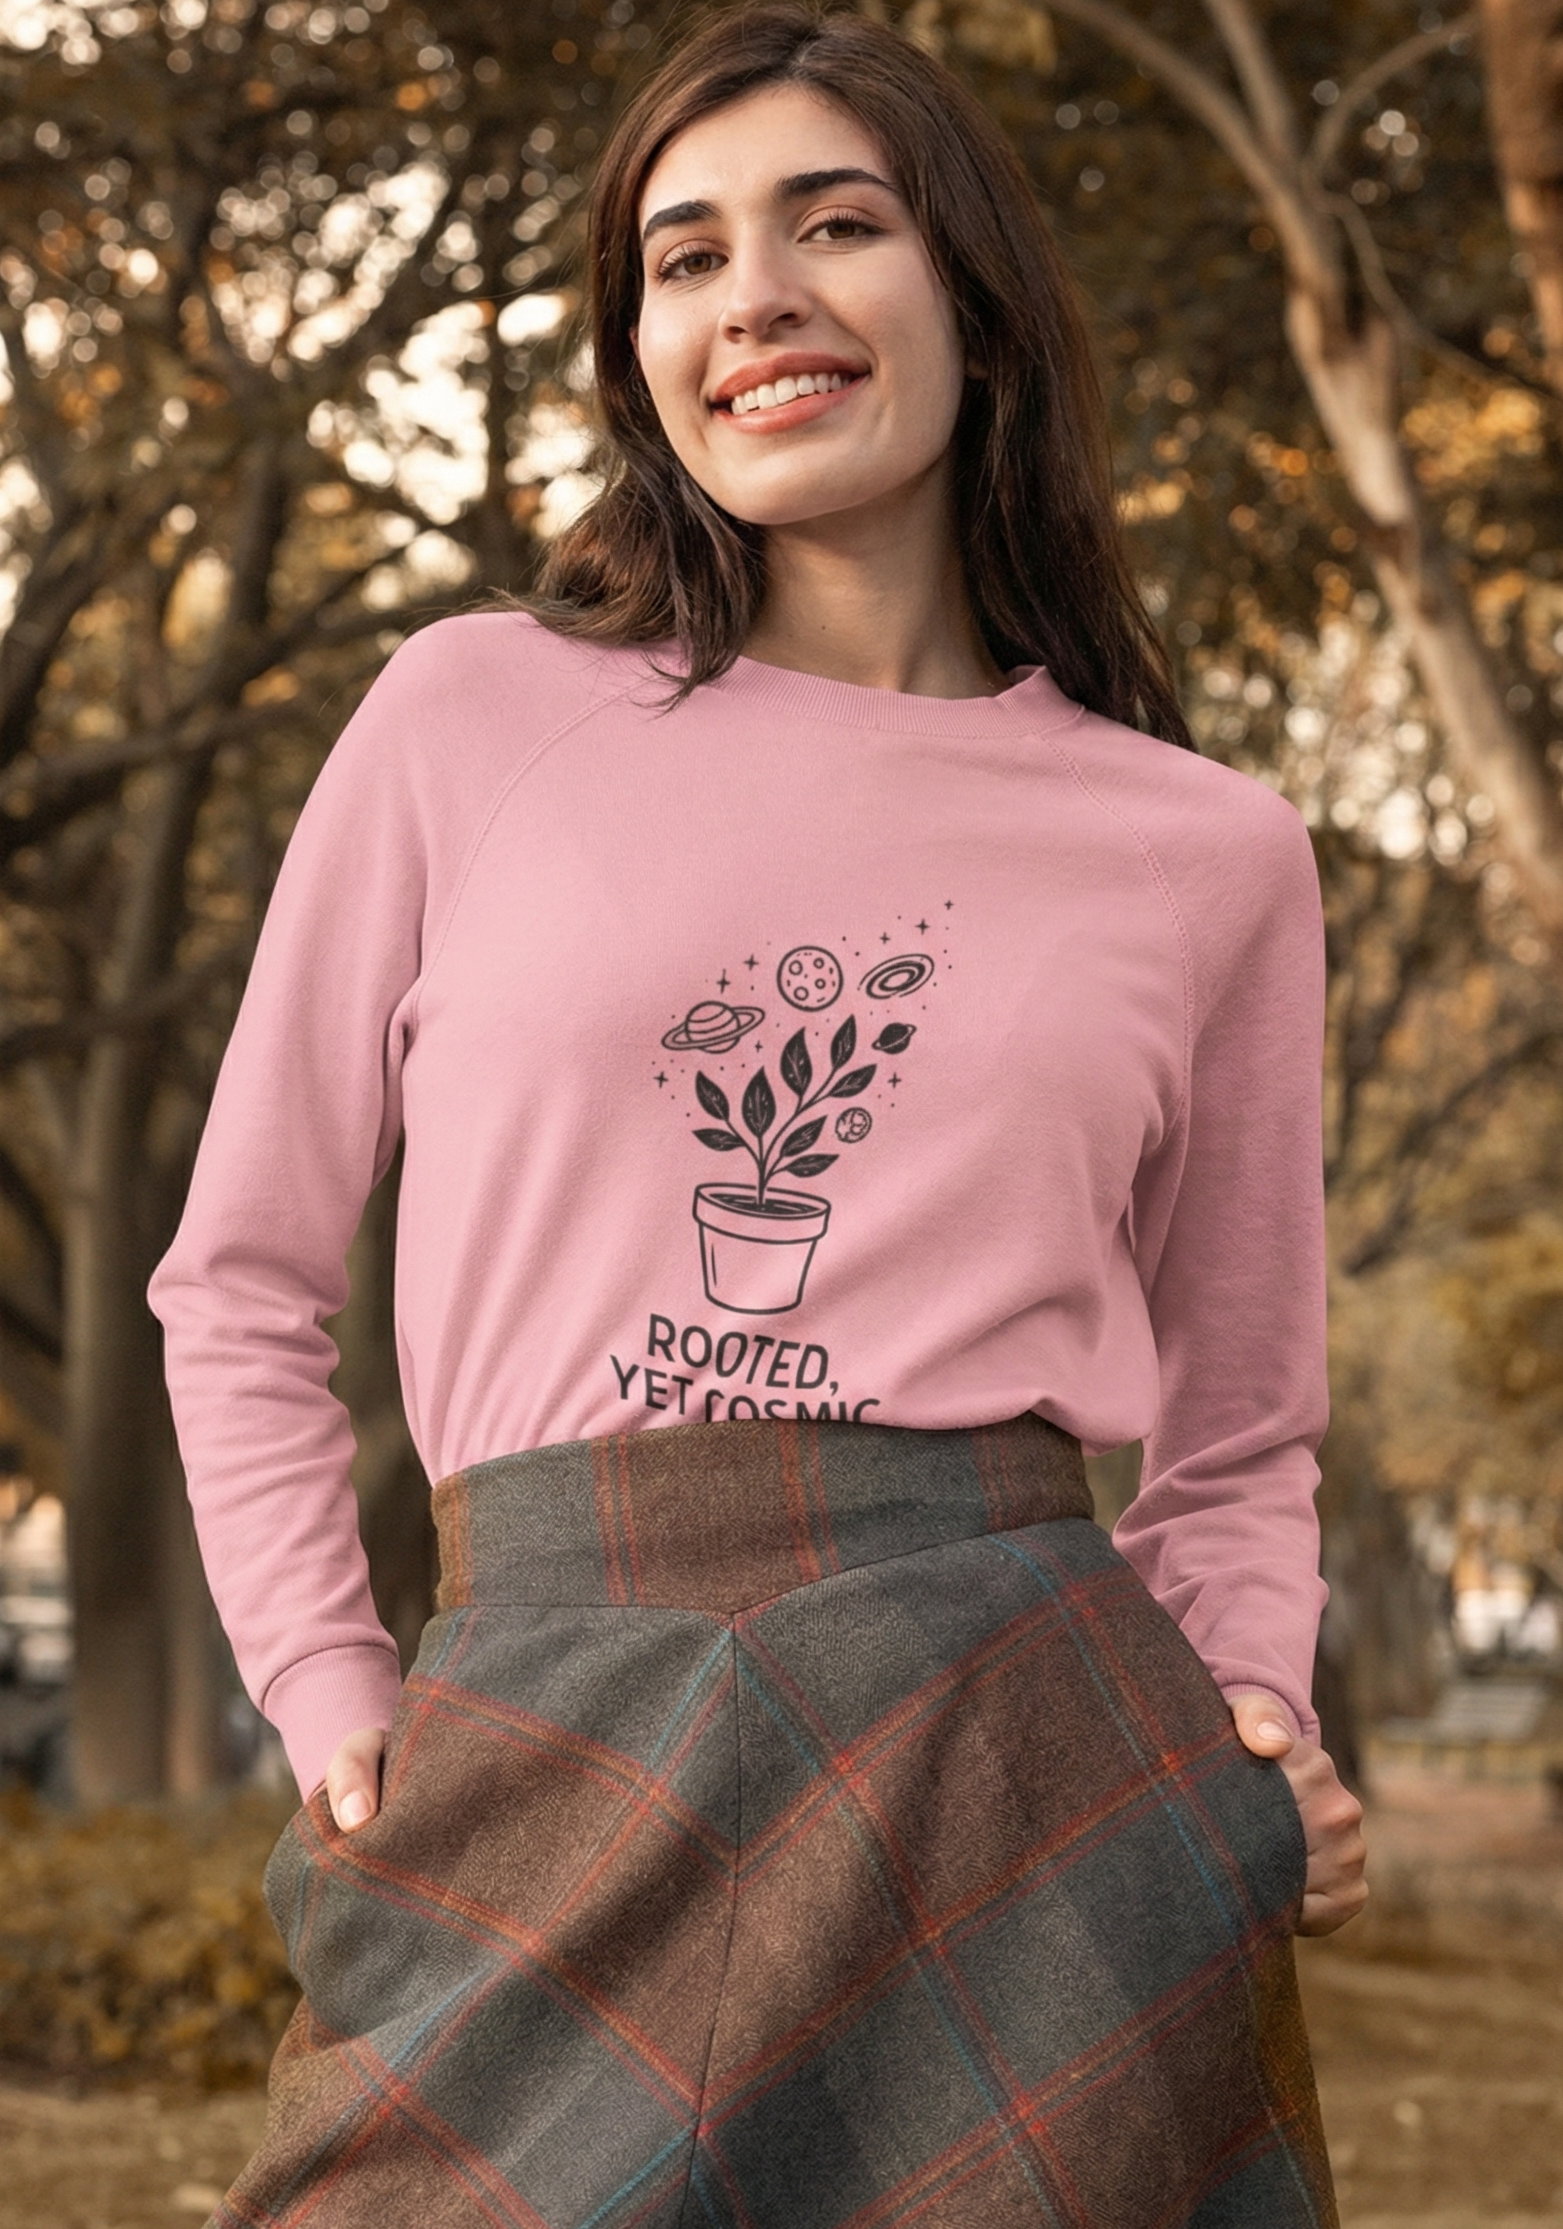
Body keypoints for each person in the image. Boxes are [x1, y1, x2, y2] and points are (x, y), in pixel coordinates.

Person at [150, 6, 1366, 2223]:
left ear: (973, 307)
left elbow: (1240, 1425)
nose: (757, 298)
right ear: (642, 353)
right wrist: (329, 1681)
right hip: (534, 1712)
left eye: (836, 224)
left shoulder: (1206, 851)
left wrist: (1249, 1730)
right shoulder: (467, 716)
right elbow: (234, 1276)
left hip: (1021, 1751)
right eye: (684, 256)